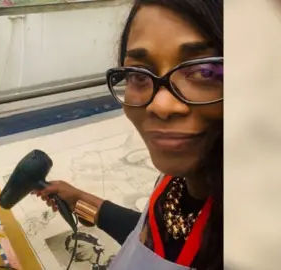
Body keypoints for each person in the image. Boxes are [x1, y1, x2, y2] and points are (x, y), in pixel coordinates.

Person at [34, 0, 223, 269]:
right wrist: (80, 201)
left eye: (205, 71)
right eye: (139, 74)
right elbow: (150, 236)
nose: (160, 104)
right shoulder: (179, 179)